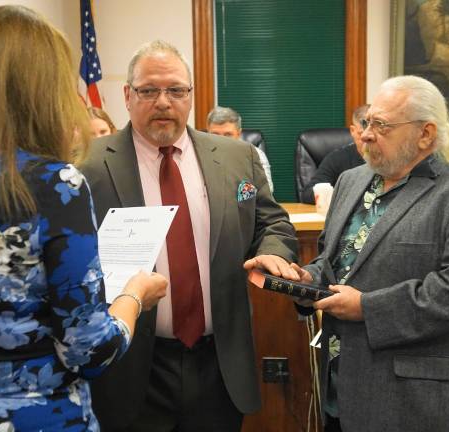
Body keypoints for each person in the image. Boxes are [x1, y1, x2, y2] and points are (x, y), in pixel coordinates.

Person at [0, 6, 167, 431]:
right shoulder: (54, 183)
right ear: (42, 92)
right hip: (34, 416)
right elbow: (87, 350)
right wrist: (134, 296)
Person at [80, 40, 299, 431]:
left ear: (191, 95)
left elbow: (273, 223)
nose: (164, 102)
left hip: (219, 364)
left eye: (176, 90)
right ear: (127, 96)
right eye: (149, 90)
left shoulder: (236, 157)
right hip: (132, 367)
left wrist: (272, 250)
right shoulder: (87, 163)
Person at [291, 75, 449, 432]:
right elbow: (334, 262)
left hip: (414, 402)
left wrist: (367, 308)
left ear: (425, 134)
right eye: (367, 122)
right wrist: (304, 280)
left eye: (382, 125)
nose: (366, 134)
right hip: (340, 390)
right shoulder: (351, 180)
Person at [301, 104, 369, 203]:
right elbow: (308, 194)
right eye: (361, 133)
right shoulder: (337, 159)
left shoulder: (389, 157)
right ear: (352, 131)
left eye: (373, 132)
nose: (367, 139)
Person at [207, 106, 274, 193]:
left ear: (239, 134)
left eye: (228, 134)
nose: (221, 140)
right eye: (215, 134)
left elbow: (267, 191)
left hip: (245, 206)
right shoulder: (198, 155)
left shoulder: (255, 154)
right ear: (208, 133)